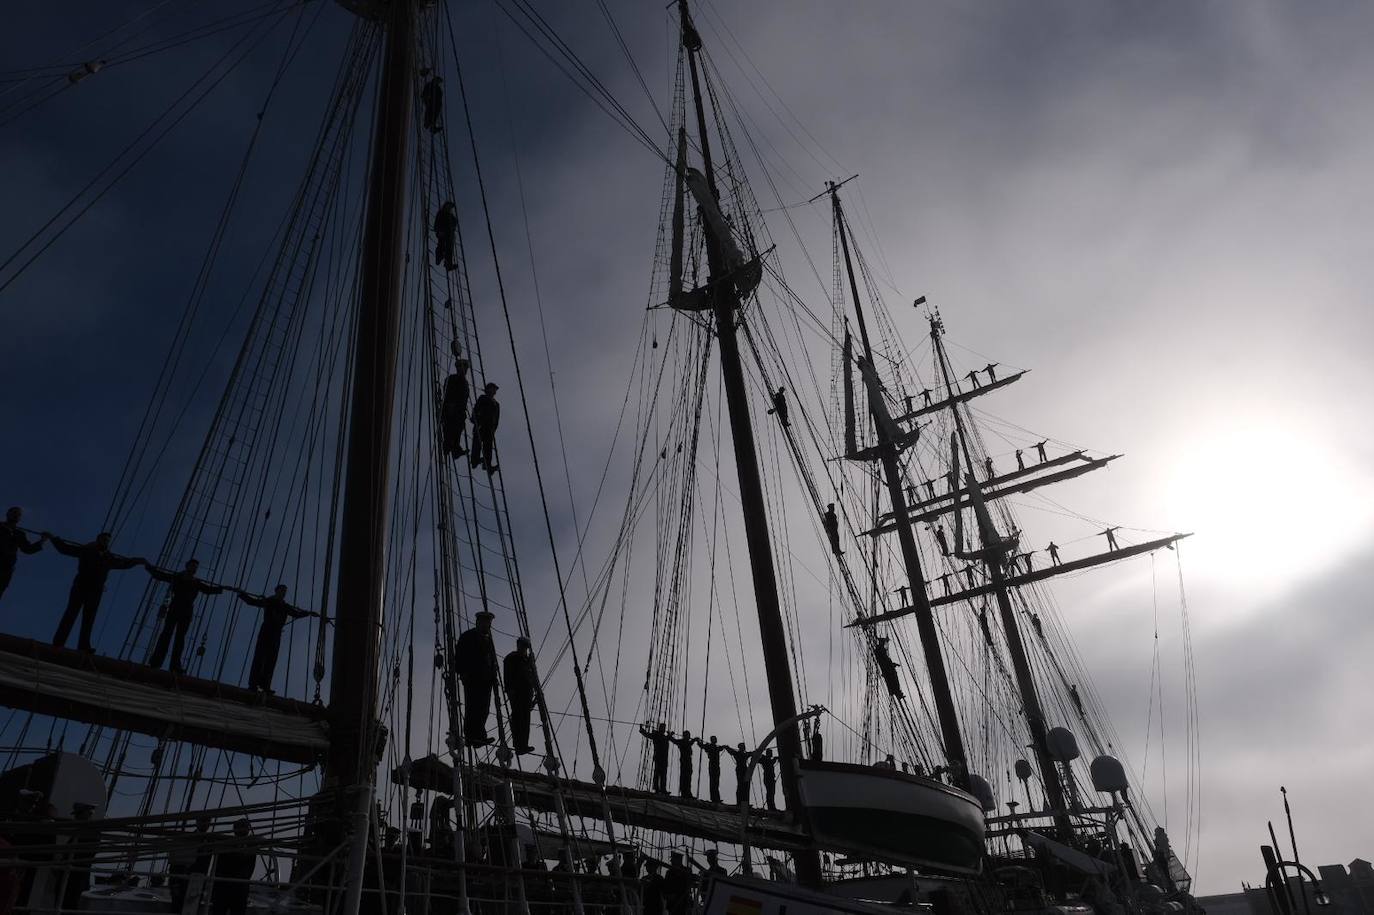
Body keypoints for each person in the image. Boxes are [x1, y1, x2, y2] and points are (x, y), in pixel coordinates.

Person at [50, 532, 144, 652]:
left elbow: (123, 564)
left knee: (89, 618)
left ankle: (83, 646)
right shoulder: (87, 550)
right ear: (98, 540)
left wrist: (137, 561)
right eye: (104, 539)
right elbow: (66, 549)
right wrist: (53, 538)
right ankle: (59, 642)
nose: (106, 542)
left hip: (95, 590)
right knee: (71, 613)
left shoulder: (108, 557)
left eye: (107, 540)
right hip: (81, 586)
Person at [146, 559, 224, 673]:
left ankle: (175, 666)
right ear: (187, 566)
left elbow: (207, 590)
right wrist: (149, 568)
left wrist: (220, 589)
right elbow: (162, 576)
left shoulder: (196, 582)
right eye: (192, 566)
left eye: (195, 567)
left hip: (186, 611)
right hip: (175, 608)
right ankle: (156, 662)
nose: (194, 568)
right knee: (166, 634)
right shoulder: (177, 577)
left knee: (180, 638)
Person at [234, 585, 311, 693]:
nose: (283, 593)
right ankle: (253, 684)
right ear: (276, 591)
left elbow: (296, 614)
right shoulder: (269, 601)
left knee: (271, 660)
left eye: (285, 591)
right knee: (260, 657)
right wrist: (241, 594)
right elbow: (253, 602)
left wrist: (307, 613)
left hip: (276, 633)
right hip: (266, 630)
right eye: (282, 590)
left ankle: (265, 685)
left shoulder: (285, 606)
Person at [453, 611, 498, 746]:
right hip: (472, 677)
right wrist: (462, 672)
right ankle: (471, 737)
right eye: (485, 622)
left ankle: (479, 737)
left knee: (484, 709)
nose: (487, 626)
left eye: (488, 623)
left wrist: (494, 676)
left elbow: (491, 660)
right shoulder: (468, 637)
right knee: (473, 707)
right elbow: (459, 656)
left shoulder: (488, 640)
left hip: (486, 679)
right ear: (478, 622)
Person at [168, 815, 213, 913]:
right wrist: (174, 883)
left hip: (198, 881)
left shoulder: (211, 841)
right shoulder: (186, 839)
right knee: (177, 908)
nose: (205, 823)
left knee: (193, 909)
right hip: (182, 880)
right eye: (203, 820)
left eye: (207, 821)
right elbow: (175, 863)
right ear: (197, 822)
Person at [210, 818, 255, 915]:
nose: (245, 829)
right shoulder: (226, 844)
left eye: (245, 827)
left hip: (237, 889)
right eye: (242, 826)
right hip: (226, 888)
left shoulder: (251, 845)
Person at [0, 507, 45, 603]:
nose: (16, 515)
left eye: (18, 514)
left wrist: (42, 540)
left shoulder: (19, 533)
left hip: (5, 570)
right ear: (8, 514)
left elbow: (27, 549)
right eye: (14, 512)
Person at [502, 636, 538, 754]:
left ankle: (523, 745)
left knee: (525, 720)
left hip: (527, 694)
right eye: (522, 646)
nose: (524, 649)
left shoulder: (527, 661)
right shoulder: (512, 658)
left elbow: (531, 677)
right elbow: (507, 676)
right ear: (518, 645)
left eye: (525, 647)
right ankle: (519, 745)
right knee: (519, 719)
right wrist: (510, 691)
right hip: (517, 693)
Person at [440, 358, 470, 459]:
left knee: (458, 428)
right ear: (458, 368)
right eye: (462, 367)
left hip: (459, 411)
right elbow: (448, 393)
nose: (464, 369)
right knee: (449, 428)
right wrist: (450, 405)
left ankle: (455, 449)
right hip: (451, 408)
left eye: (465, 367)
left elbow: (464, 397)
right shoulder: (452, 379)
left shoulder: (465, 382)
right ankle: (448, 447)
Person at [470, 382, 500, 473]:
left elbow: (497, 418)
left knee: (488, 447)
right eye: (493, 388)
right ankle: (475, 460)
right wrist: (474, 418)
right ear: (488, 389)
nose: (494, 391)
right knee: (477, 442)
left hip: (490, 427)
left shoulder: (496, 404)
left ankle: (487, 465)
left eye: (495, 389)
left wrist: (494, 429)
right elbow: (476, 408)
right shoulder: (483, 398)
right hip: (481, 424)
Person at [638, 722, 670, 794]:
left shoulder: (665, 737)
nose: (663, 729)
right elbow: (647, 734)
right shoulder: (656, 735)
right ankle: (657, 788)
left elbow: (669, 738)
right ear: (659, 728)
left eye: (664, 728)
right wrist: (642, 729)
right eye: (662, 727)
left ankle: (663, 789)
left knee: (663, 774)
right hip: (658, 757)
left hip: (664, 759)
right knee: (657, 773)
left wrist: (670, 735)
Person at [695, 735, 725, 804]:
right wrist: (698, 741)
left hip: (716, 766)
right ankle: (714, 798)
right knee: (713, 782)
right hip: (712, 765)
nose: (715, 740)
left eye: (715, 739)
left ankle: (716, 798)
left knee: (716, 782)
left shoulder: (715, 747)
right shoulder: (709, 746)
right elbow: (701, 746)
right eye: (714, 739)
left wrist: (724, 747)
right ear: (712, 740)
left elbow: (721, 748)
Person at [723, 742, 750, 808]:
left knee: (745, 786)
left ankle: (745, 803)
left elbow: (752, 753)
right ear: (740, 747)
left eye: (744, 746)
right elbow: (731, 751)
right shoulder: (737, 753)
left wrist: (757, 751)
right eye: (742, 746)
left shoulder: (745, 754)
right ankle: (740, 802)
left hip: (744, 770)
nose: (744, 748)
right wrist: (727, 747)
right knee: (741, 786)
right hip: (740, 770)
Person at [669, 730, 695, 799]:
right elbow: (673, 740)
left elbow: (690, 743)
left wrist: (694, 740)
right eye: (687, 735)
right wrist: (670, 735)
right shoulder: (682, 742)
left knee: (688, 777)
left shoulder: (686, 742)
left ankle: (688, 792)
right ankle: (684, 793)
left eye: (688, 735)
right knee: (684, 776)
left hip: (688, 761)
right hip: (684, 761)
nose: (688, 737)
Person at [433, 201, 458, 270]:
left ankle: (448, 264)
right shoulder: (441, 213)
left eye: (450, 207)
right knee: (441, 245)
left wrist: (454, 223)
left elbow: (454, 224)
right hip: (442, 231)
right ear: (445, 206)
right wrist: (438, 231)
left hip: (449, 234)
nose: (449, 208)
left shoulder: (451, 217)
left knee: (449, 248)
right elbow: (436, 225)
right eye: (449, 206)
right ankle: (439, 257)